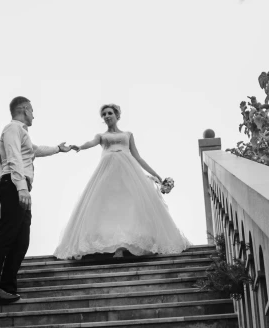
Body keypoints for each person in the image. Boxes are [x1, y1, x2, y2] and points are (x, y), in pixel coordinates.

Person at [54, 103, 190, 260]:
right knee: (108, 207)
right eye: (104, 114)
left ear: (117, 115)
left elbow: (138, 157)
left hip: (128, 172)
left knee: (130, 206)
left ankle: (125, 245)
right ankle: (110, 245)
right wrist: (79, 147)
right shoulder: (101, 136)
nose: (106, 116)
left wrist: (157, 176)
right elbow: (90, 142)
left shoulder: (128, 134)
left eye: (109, 113)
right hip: (107, 173)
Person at [0, 96, 76, 304]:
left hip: (20, 186)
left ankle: (8, 286)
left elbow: (35, 150)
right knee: (6, 236)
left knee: (22, 241)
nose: (34, 114)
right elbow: (14, 157)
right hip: (14, 185)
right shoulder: (12, 129)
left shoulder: (21, 132)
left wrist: (58, 149)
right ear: (24, 109)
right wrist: (22, 188)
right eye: (32, 110)